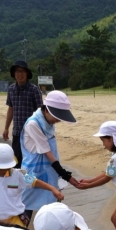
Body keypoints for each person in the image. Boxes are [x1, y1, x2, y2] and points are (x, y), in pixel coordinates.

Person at [0, 143, 64, 228]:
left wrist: (52, 189)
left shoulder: (18, 175)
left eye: (7, 167)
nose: (5, 170)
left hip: (16, 217)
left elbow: (34, 181)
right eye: (1, 168)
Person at [20, 90, 80, 219]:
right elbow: (47, 151)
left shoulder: (48, 122)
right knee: (27, 204)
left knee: (51, 204)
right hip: (34, 170)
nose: (58, 120)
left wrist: (63, 175)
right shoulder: (33, 124)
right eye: (56, 116)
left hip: (49, 168)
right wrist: (65, 175)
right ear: (46, 110)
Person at [3, 61, 44, 168]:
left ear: (27, 73)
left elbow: (40, 111)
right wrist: (6, 128)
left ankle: (31, 184)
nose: (20, 74)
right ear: (14, 74)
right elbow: (10, 109)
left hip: (31, 133)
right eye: (17, 71)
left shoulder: (34, 90)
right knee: (16, 163)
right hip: (17, 132)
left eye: (22, 71)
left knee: (31, 161)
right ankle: (17, 184)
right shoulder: (11, 89)